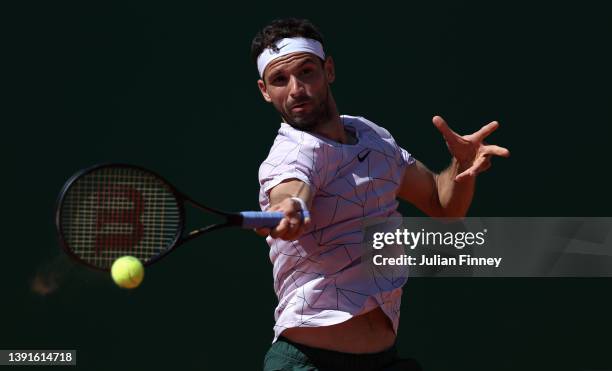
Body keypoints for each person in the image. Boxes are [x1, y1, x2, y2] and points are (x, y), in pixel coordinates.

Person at [251, 18, 510, 371]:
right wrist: (290, 208)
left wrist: (460, 165)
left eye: (306, 72)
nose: (295, 88)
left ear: (328, 70)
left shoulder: (371, 136)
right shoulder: (290, 156)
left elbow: (442, 204)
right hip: (309, 364)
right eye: (280, 80)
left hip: (385, 361)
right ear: (265, 91)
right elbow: (292, 189)